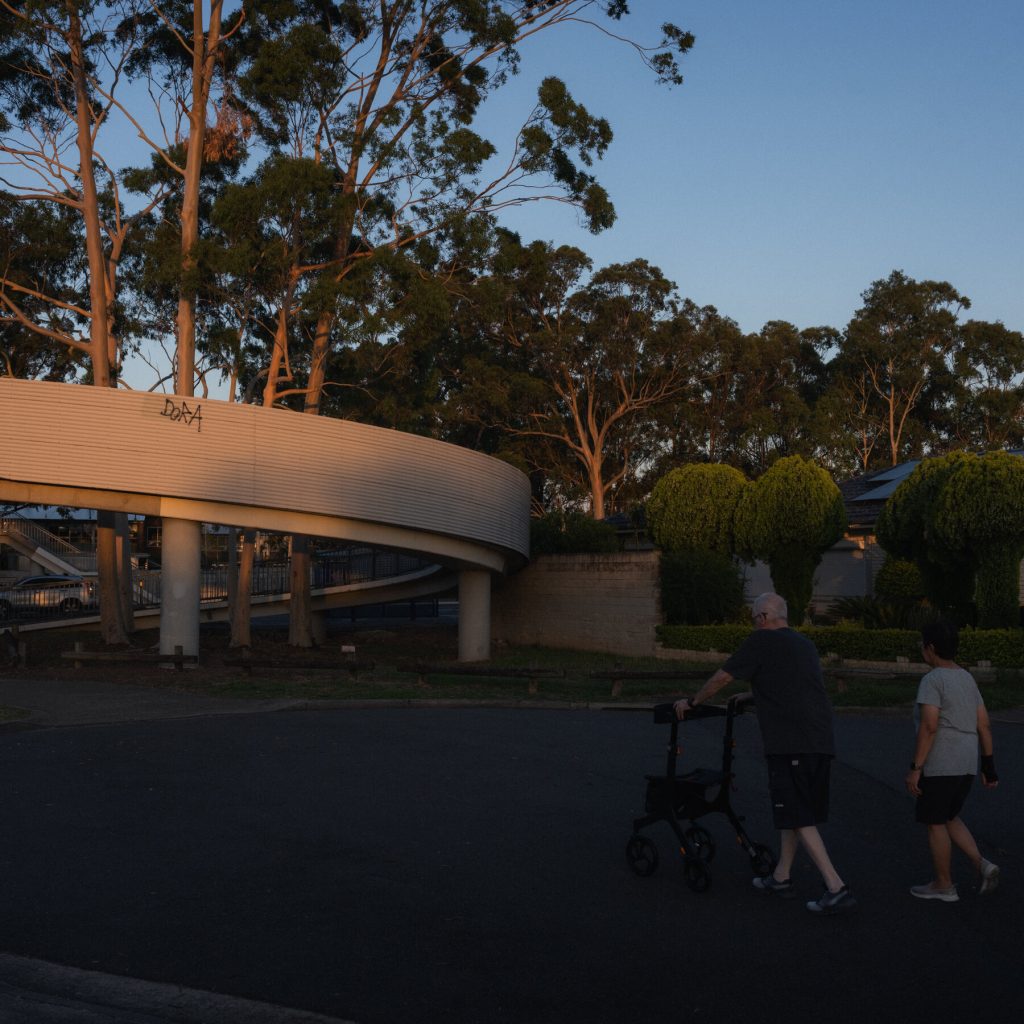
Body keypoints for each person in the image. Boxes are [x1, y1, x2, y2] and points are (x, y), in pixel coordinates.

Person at [674, 592, 854, 915]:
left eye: (753, 619)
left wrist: (692, 701)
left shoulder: (760, 642)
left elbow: (722, 677)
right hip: (820, 741)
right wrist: (752, 695)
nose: (753, 624)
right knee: (793, 811)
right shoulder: (804, 645)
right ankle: (781, 876)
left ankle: (835, 885)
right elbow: (790, 686)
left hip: (791, 742)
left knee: (799, 814)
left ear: (762, 618)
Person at [905, 620, 1000, 902]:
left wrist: (916, 768)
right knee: (948, 816)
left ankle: (943, 885)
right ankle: (982, 864)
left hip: (941, 761)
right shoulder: (966, 678)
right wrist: (988, 766)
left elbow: (930, 726)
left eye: (922, 644)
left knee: (935, 822)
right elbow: (984, 724)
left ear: (930, 648)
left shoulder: (933, 680)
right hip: (967, 762)